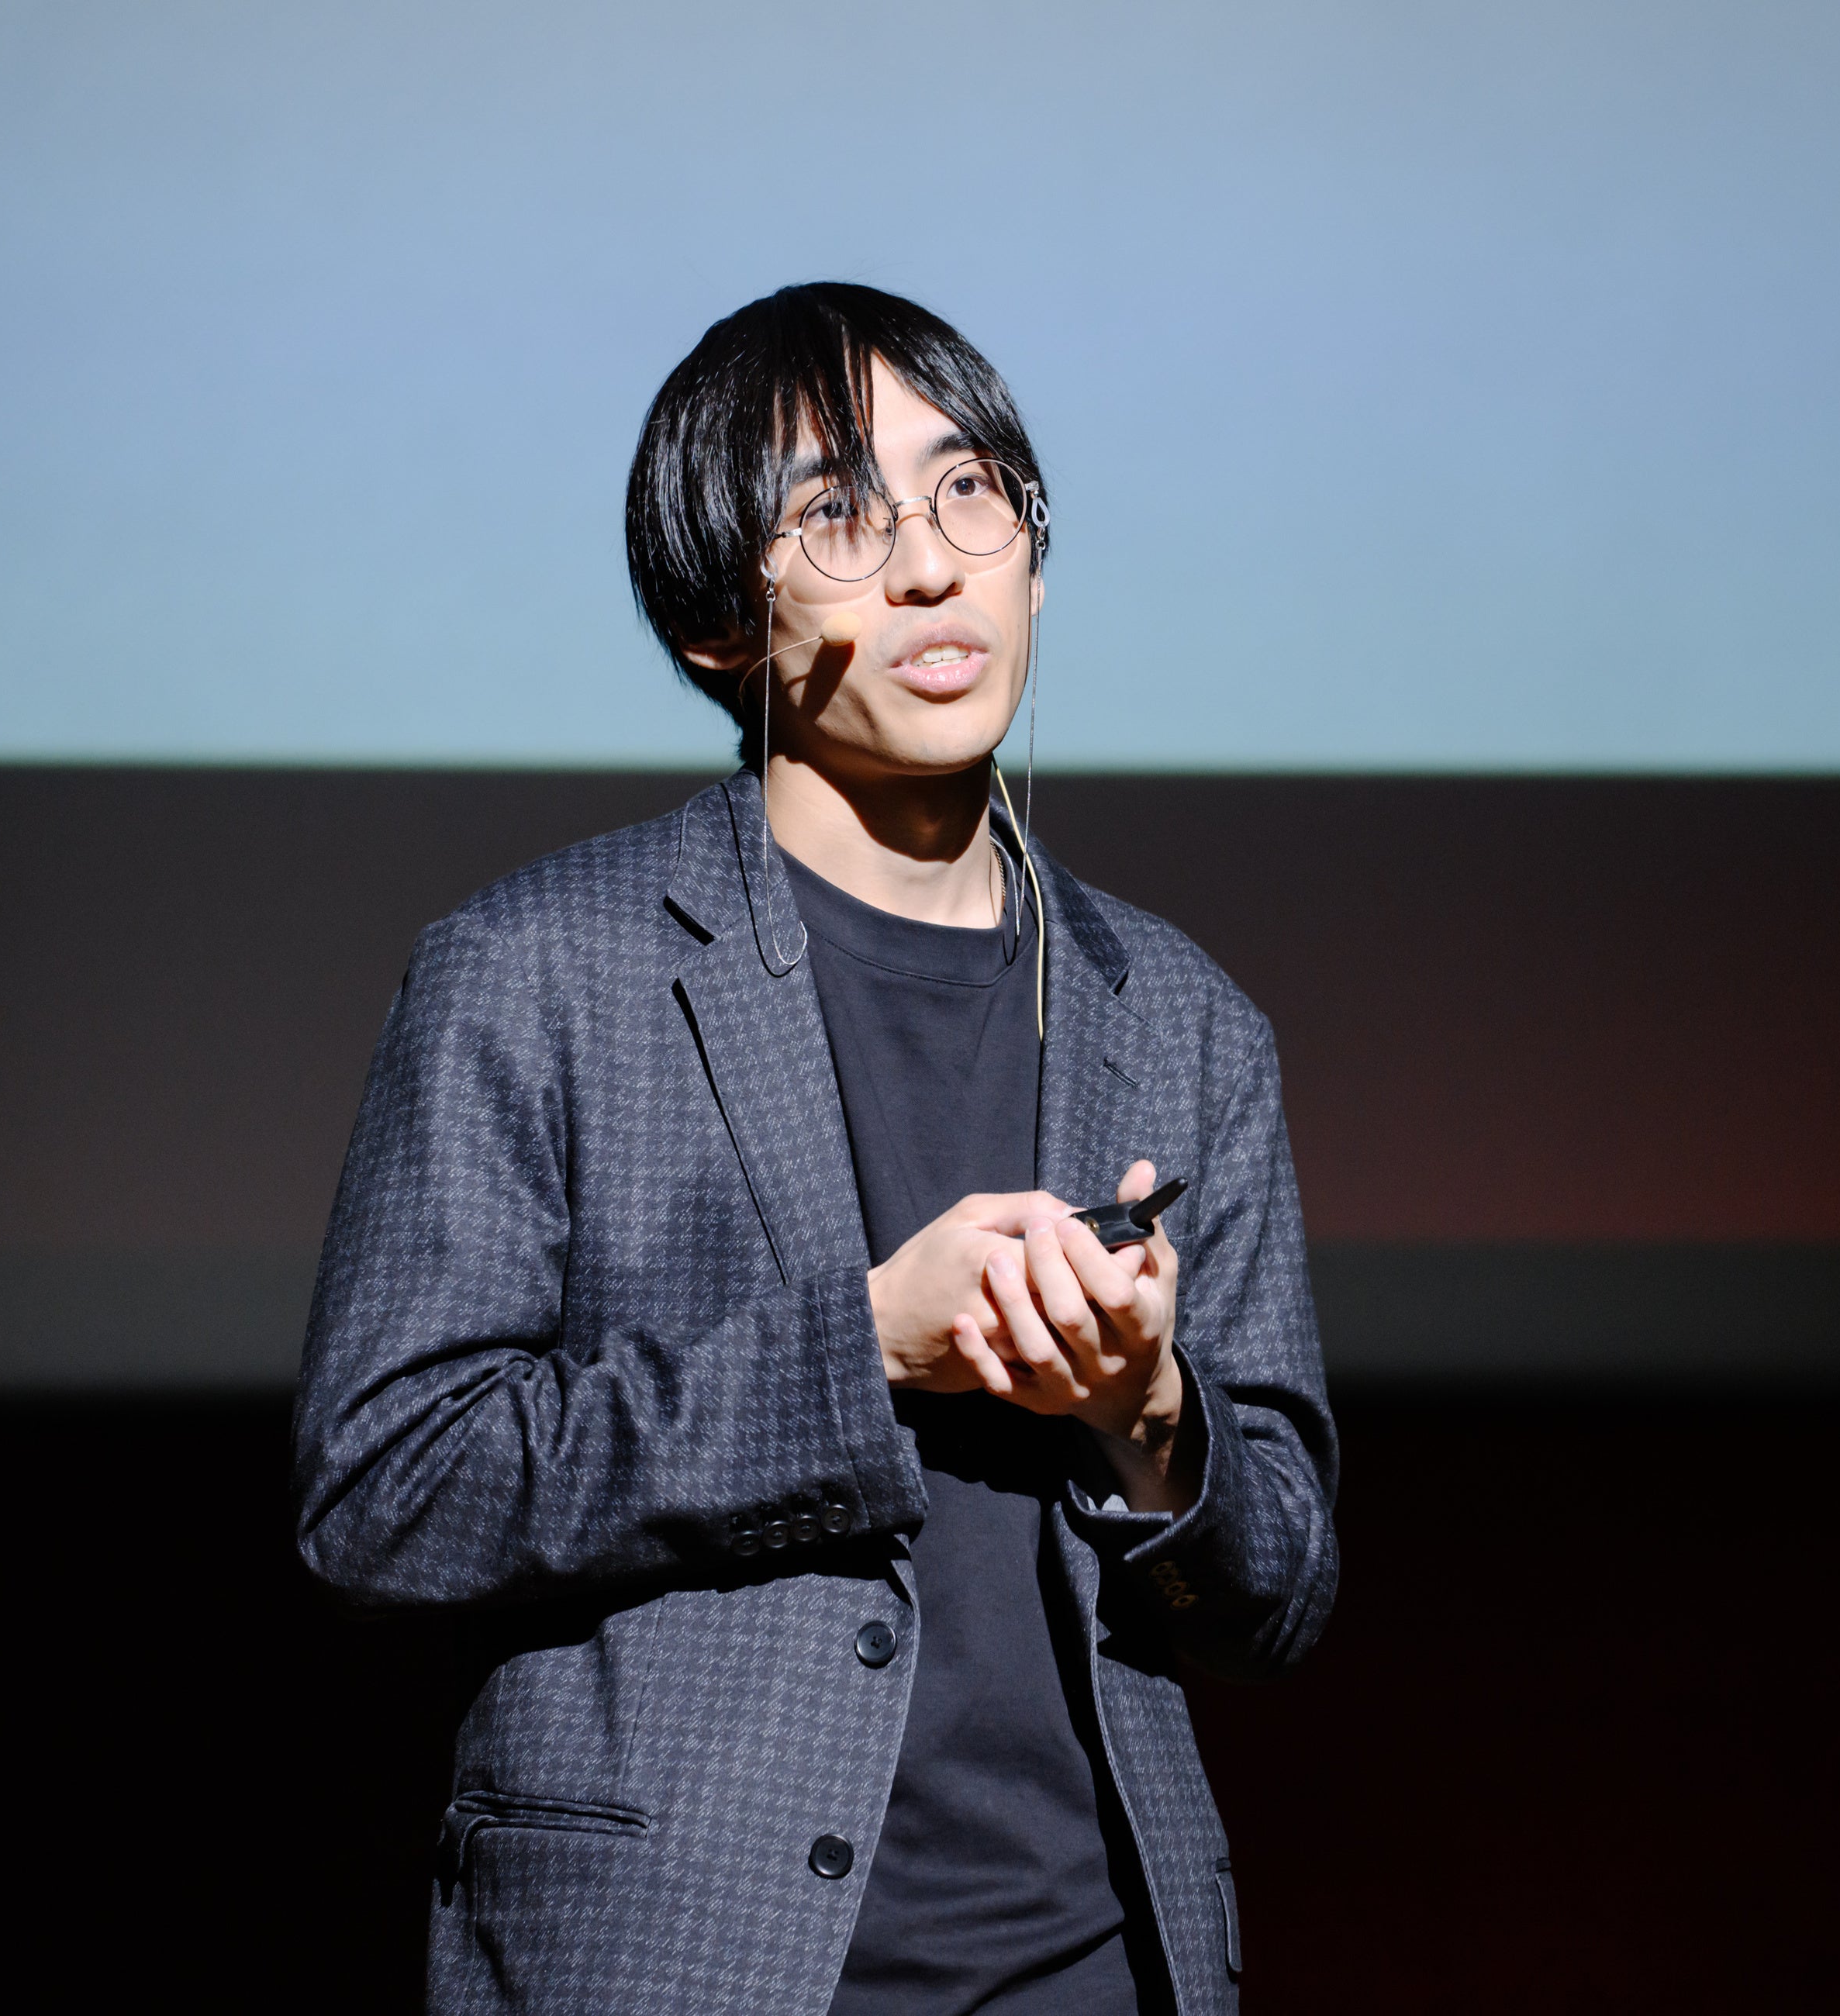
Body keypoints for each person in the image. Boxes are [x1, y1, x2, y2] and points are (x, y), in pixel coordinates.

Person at [292, 281, 1338, 2016]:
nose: (930, 567)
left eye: (970, 491)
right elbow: (385, 1493)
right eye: (840, 515)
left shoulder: (1184, 1019)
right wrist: (861, 1352)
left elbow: (1280, 1590)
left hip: (1095, 1964)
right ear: (721, 617)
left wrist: (1147, 1412)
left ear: (1035, 560)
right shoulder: (537, 973)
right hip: (687, 1964)